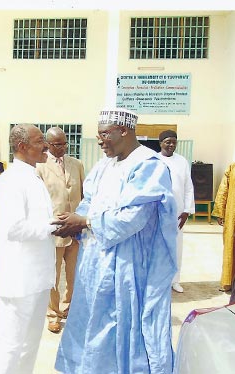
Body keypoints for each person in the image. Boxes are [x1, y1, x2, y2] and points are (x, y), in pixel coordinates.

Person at [53, 109, 178, 373]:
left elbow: (134, 217)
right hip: (94, 262)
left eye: (104, 134)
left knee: (121, 323)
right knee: (92, 321)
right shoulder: (104, 165)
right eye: (98, 136)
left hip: (128, 264)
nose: (100, 141)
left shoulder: (149, 165)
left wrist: (85, 222)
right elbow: (89, 201)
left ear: (124, 131)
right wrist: (72, 221)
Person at [0, 124, 56, 374]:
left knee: (29, 346)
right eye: (40, 141)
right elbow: (14, 229)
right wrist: (53, 227)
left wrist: (52, 224)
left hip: (37, 278)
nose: (46, 146)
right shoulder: (11, 179)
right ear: (22, 147)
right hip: (18, 281)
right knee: (9, 347)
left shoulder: (31, 175)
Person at [36, 127, 84, 334]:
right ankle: (53, 314)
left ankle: (69, 308)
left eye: (65, 143)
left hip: (76, 231)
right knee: (52, 276)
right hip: (54, 231)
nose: (63, 147)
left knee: (75, 274)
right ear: (47, 144)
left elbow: (84, 195)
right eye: (58, 144)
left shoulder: (77, 164)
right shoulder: (39, 167)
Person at [157, 130, 195, 293]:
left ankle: (175, 280)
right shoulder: (154, 160)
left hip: (178, 213)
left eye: (174, 142)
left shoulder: (182, 162)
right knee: (158, 248)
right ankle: (158, 280)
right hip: (158, 213)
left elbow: (188, 187)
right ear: (161, 143)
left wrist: (187, 210)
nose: (171, 145)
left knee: (176, 247)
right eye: (168, 142)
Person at [212, 162, 235, 296]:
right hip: (233, 216)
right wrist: (220, 212)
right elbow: (223, 190)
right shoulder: (232, 167)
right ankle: (228, 282)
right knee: (231, 249)